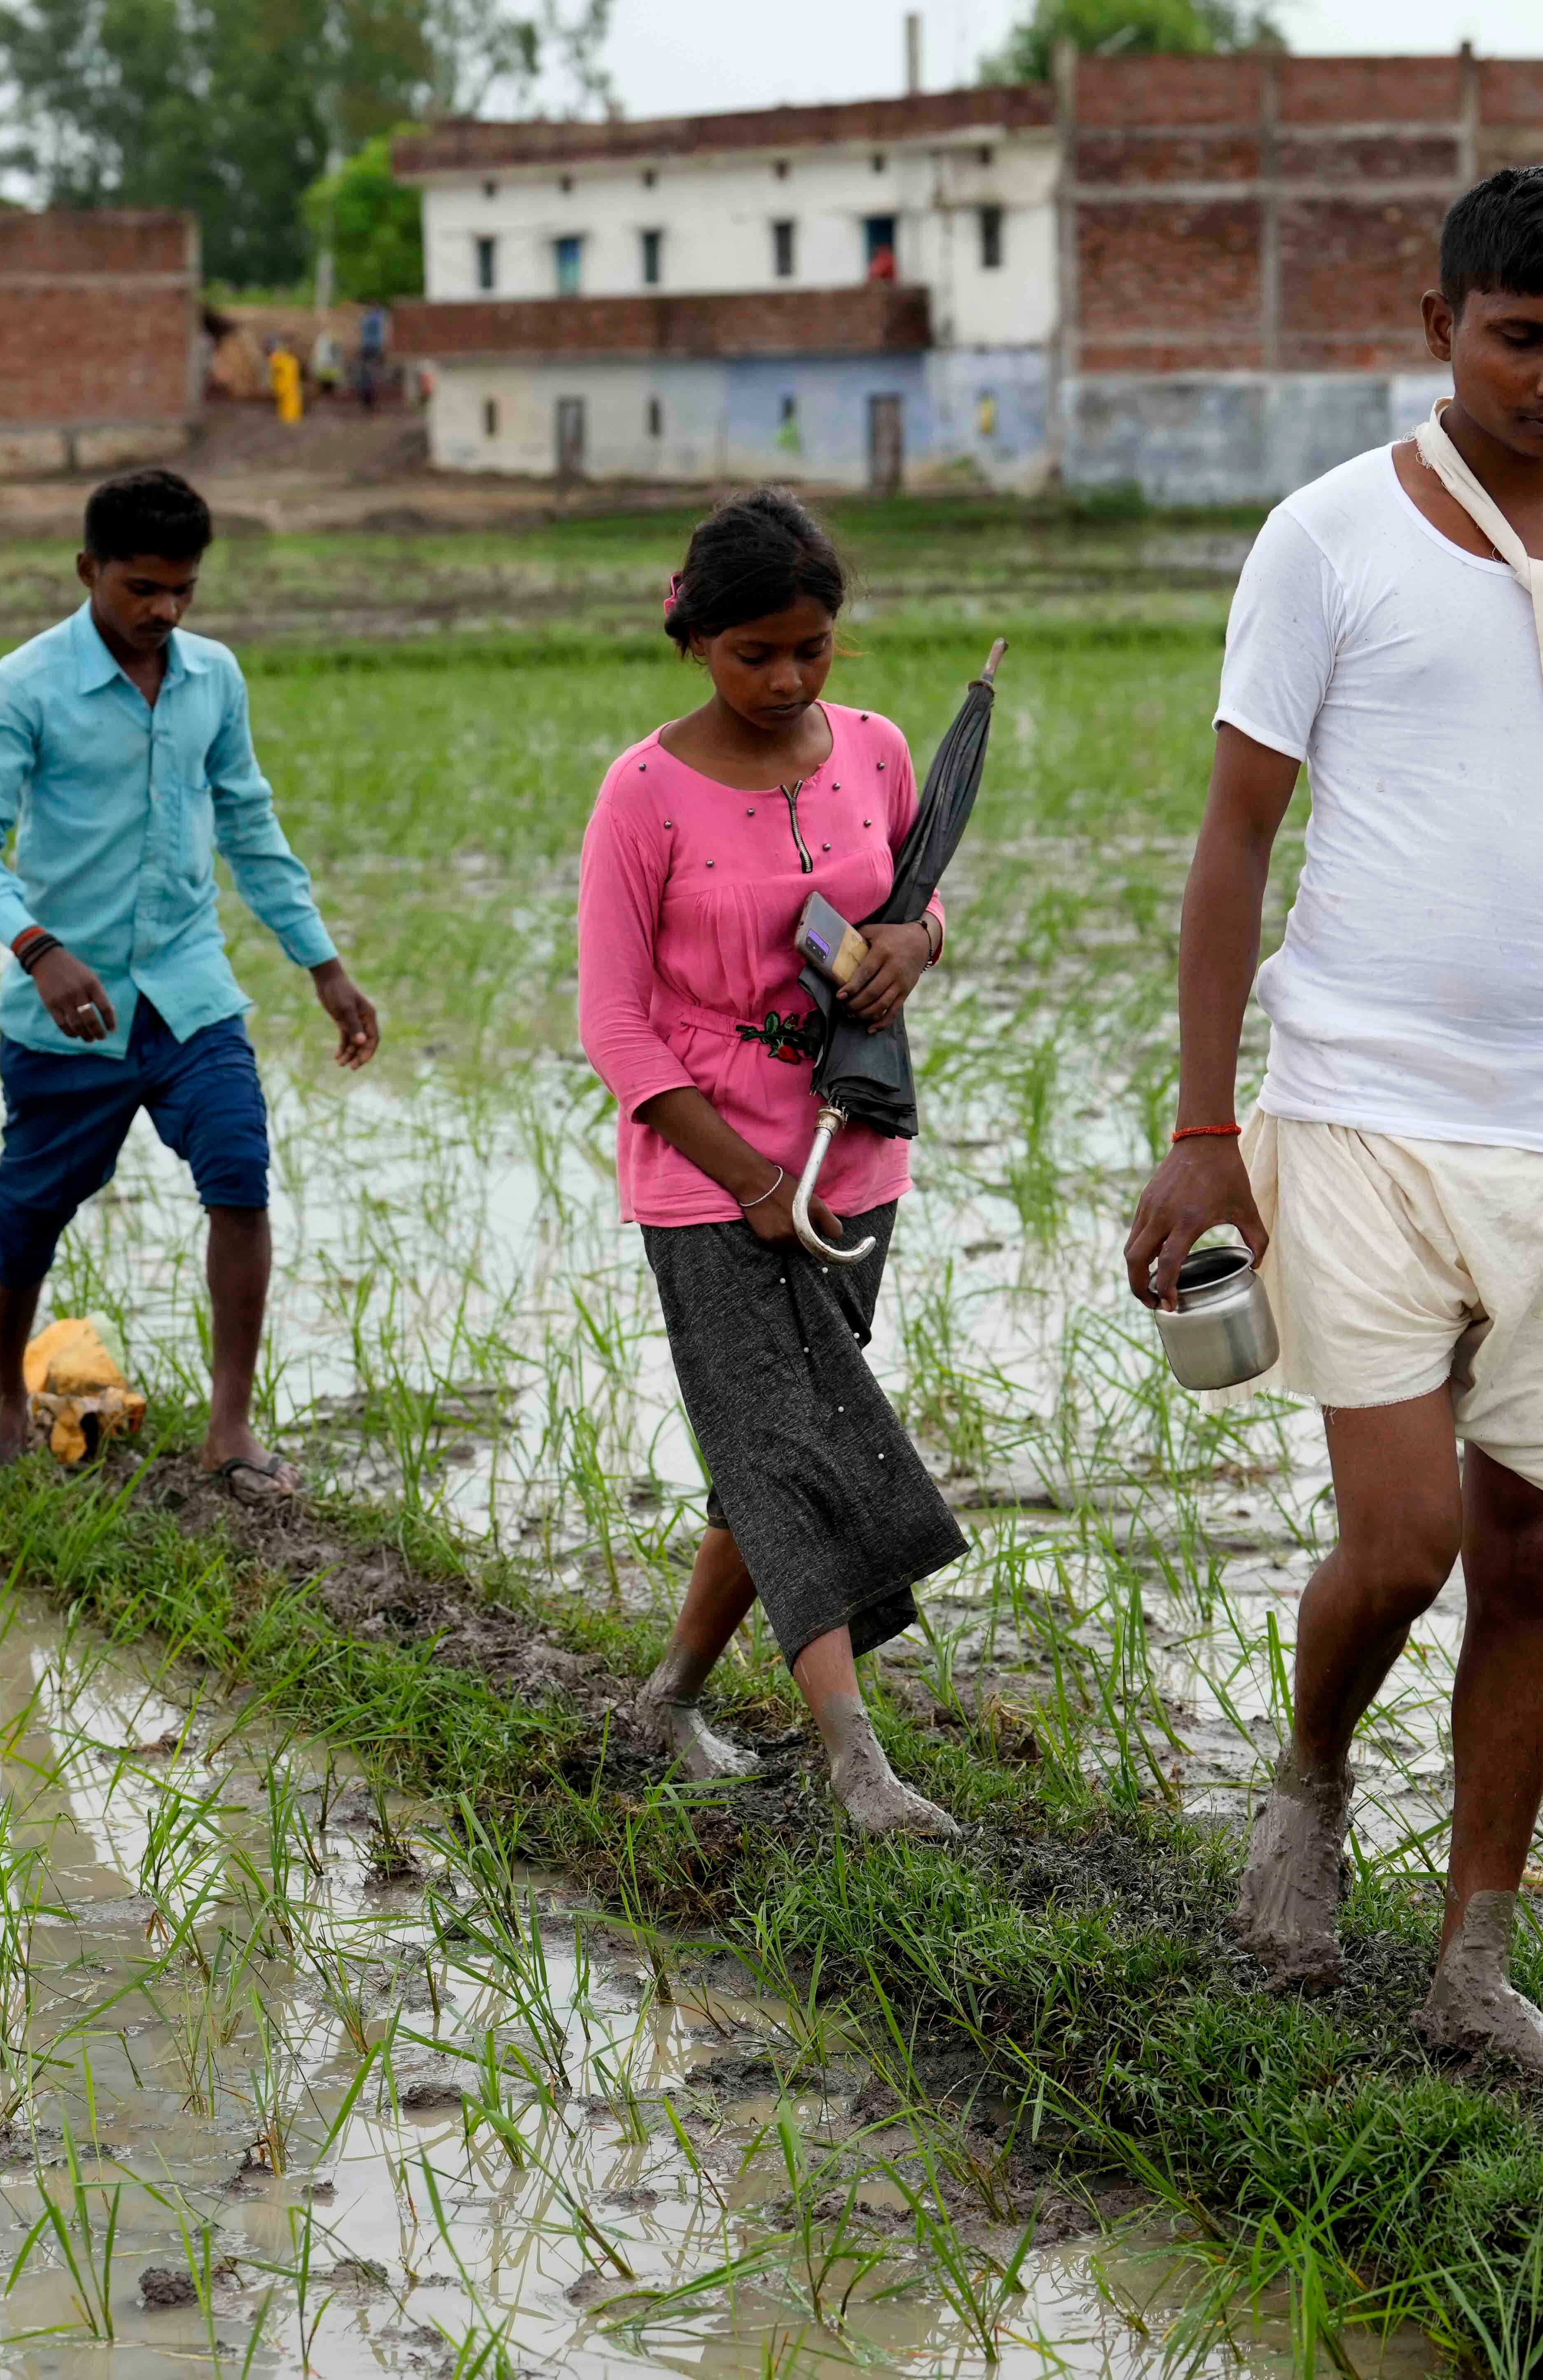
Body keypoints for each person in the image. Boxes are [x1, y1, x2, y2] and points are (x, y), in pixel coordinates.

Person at [1120, 167, 1543, 2076]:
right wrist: (1201, 1130)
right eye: (1524, 336)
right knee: (1407, 1535)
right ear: (1440, 327)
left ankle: (1474, 1962)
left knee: (1534, 1555)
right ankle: (1312, 1775)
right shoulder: (1328, 539)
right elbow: (1237, 837)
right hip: (1358, 1111)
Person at [580, 489, 968, 1841]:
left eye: (810, 647)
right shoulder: (645, 791)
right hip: (711, 1181)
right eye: (757, 652)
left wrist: (920, 944)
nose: (788, 677)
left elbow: (915, 896)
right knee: (796, 1452)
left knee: (765, 1465)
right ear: (695, 639)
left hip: (852, 1163)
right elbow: (613, 1024)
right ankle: (857, 1763)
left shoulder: (873, 750)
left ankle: (671, 1695)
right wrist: (745, 1180)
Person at [0, 468, 381, 1485]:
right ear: (88, 570)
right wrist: (37, 948)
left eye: (183, 589)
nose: (164, 611)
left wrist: (324, 965)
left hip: (188, 989)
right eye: (141, 588)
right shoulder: (20, 687)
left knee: (239, 1176)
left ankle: (231, 1429)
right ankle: (5, 1389)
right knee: (30, 1210)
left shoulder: (212, 679)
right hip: (68, 1009)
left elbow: (250, 824)